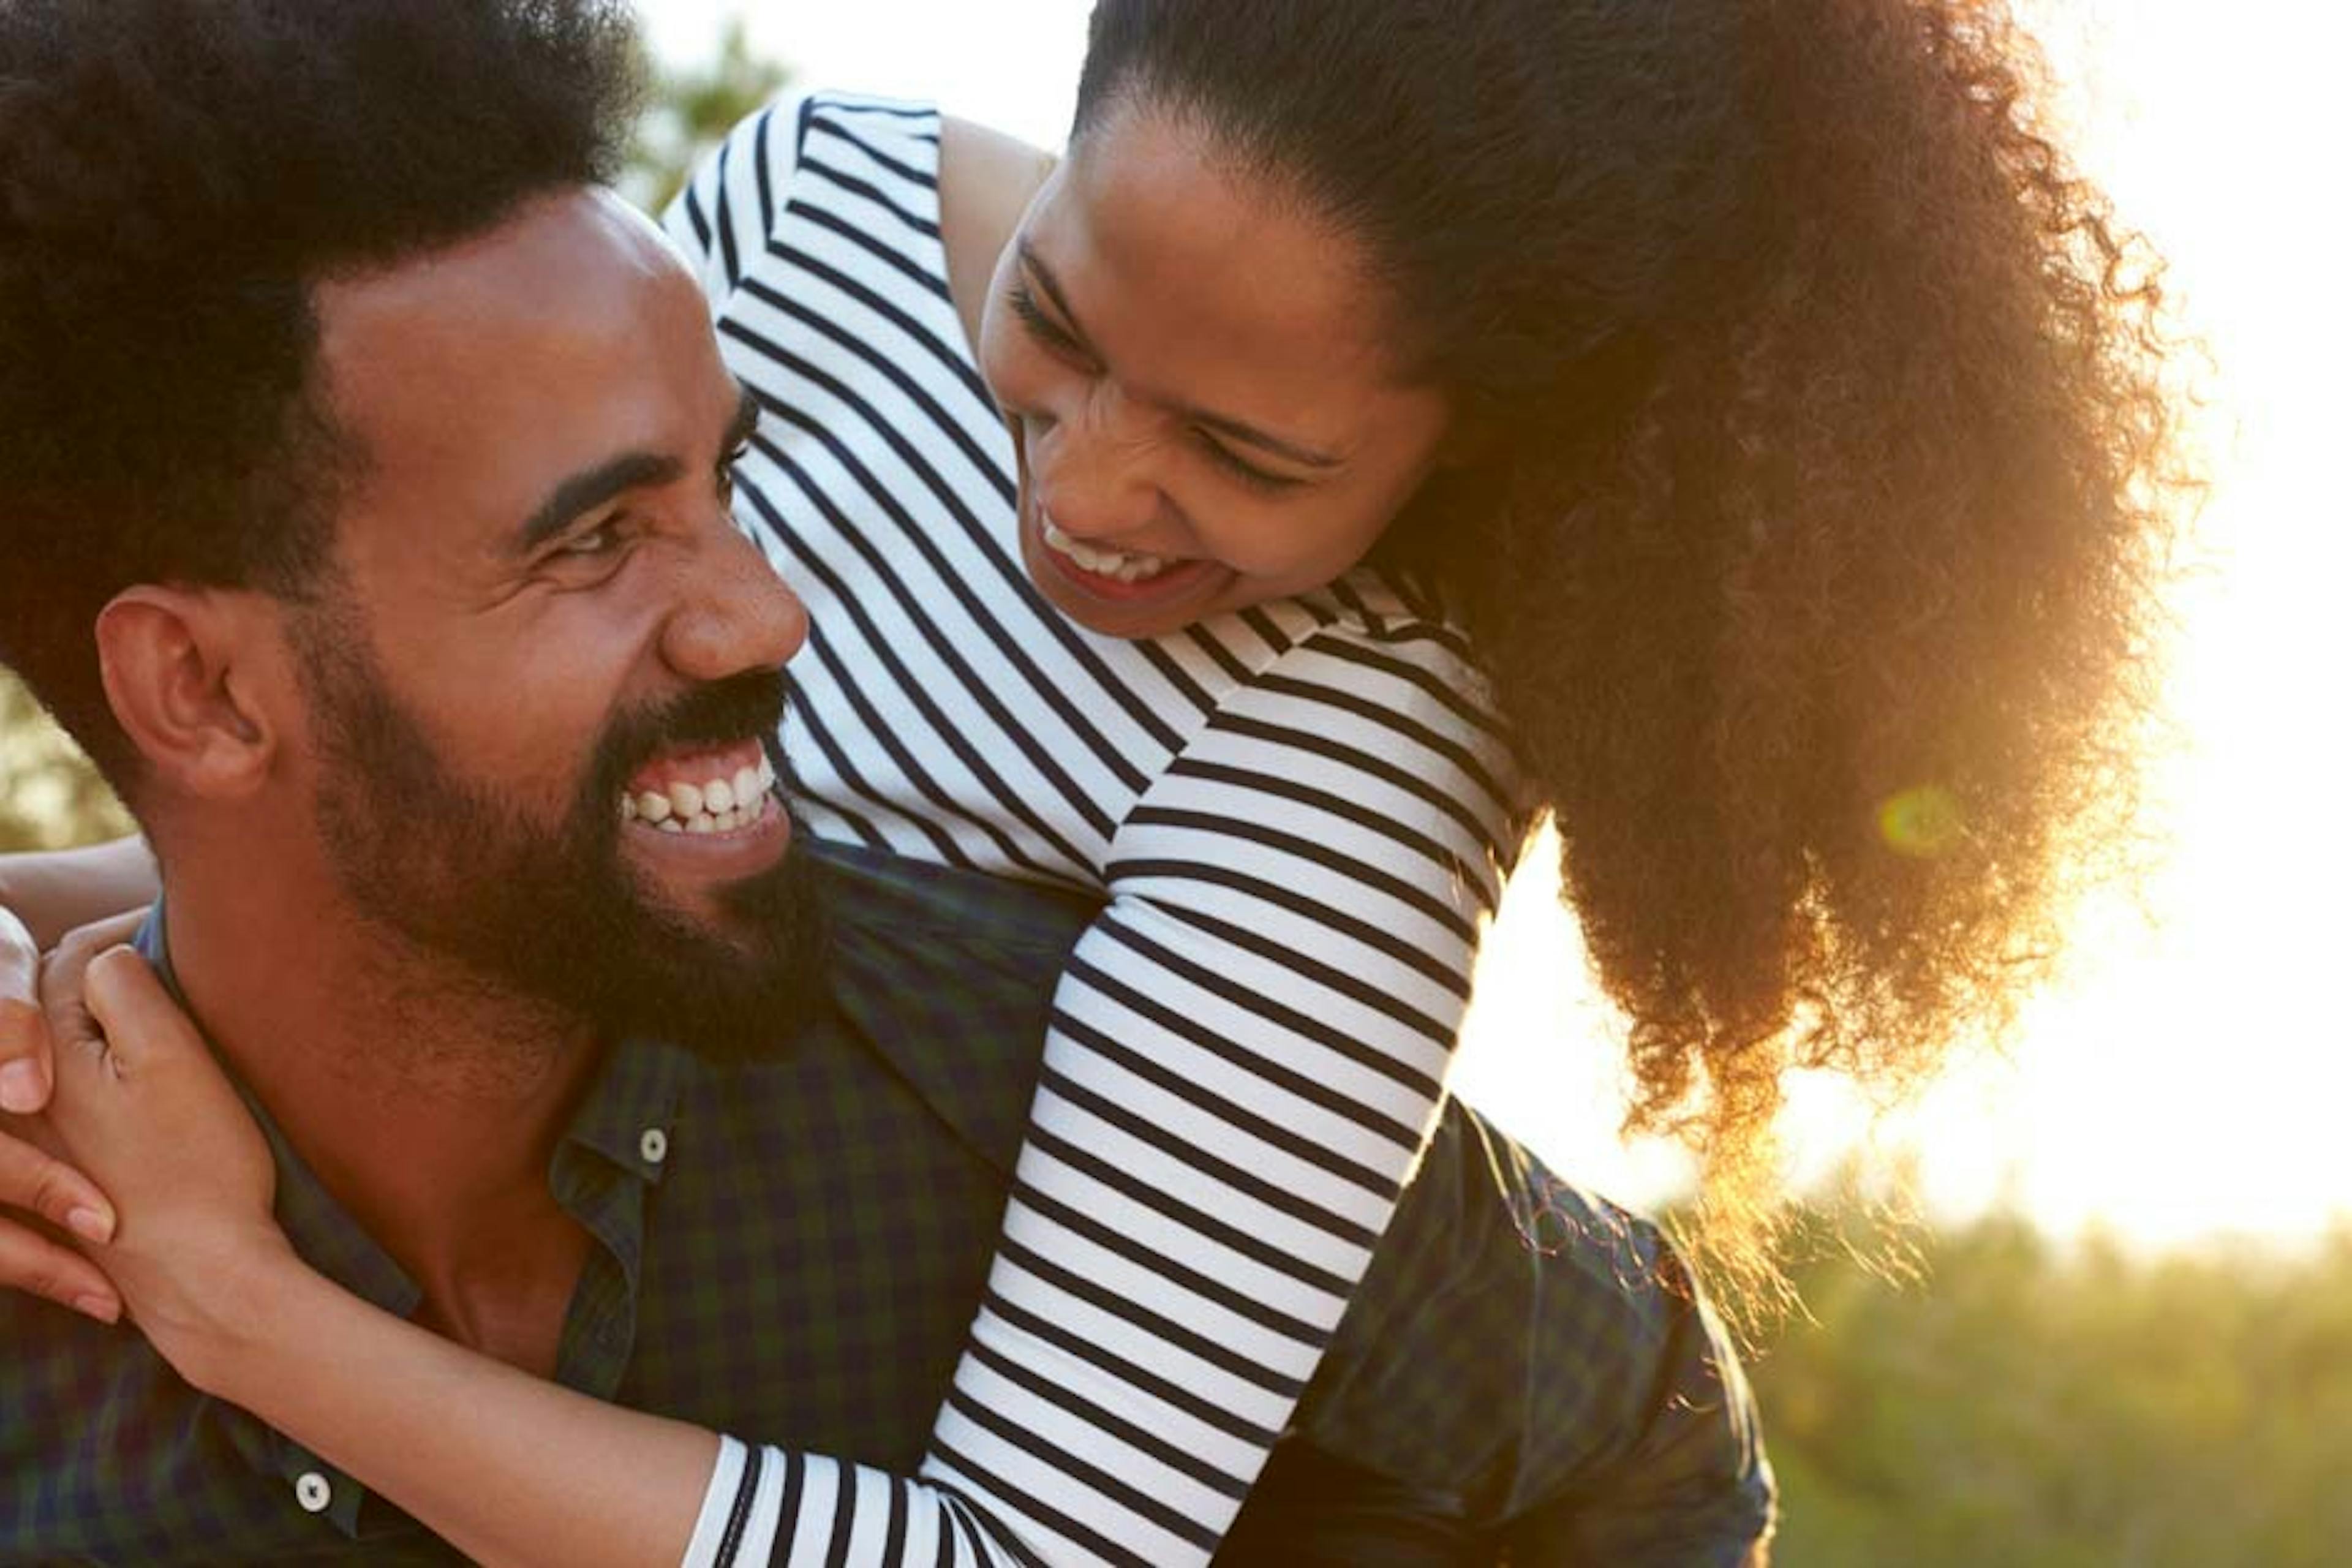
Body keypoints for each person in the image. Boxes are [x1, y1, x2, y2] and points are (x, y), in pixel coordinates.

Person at [0, 0, 2181, 1558]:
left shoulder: (1352, 749)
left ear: (1462, 455)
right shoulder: (817, 208)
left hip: (1435, 1487)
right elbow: (420, 770)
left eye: (1246, 453)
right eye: (1054, 312)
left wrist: (241, 1310)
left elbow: (1042, 1542)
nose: (1090, 488)